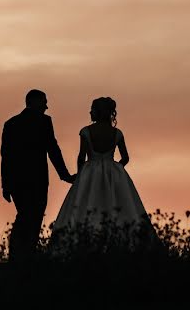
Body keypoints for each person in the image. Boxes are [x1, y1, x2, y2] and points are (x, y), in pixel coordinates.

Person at [52, 96, 151, 245]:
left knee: (85, 202)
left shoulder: (86, 131)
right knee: (117, 203)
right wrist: (115, 169)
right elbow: (125, 158)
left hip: (90, 171)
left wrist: (80, 175)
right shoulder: (117, 133)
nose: (90, 112)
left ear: (98, 112)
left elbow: (81, 156)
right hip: (114, 173)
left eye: (92, 110)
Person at [1, 89, 75, 260]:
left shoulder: (11, 124)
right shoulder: (44, 122)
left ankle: (18, 255)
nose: (47, 106)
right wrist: (65, 175)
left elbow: (6, 157)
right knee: (32, 219)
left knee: (24, 217)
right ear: (33, 102)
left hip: (17, 182)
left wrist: (6, 185)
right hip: (37, 179)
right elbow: (53, 149)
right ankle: (25, 255)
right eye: (44, 102)